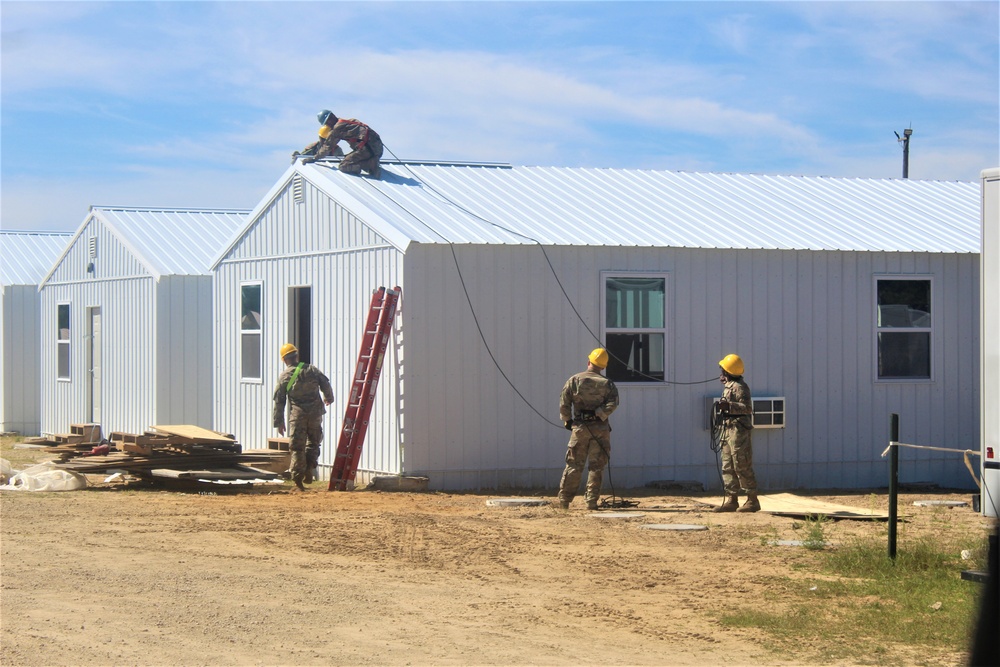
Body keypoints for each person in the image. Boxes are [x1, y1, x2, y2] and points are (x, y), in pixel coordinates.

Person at [557, 348, 620, 510]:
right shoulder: (607, 384)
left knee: (574, 465)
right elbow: (613, 404)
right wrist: (598, 414)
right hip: (600, 430)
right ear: (603, 366)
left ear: (589, 362)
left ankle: (564, 501)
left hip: (579, 429)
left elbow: (564, 403)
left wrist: (568, 421)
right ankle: (591, 502)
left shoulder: (574, 380)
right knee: (597, 466)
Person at [272, 343, 335, 491]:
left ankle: (298, 479)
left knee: (297, 447)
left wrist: (279, 422)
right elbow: (325, 382)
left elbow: (279, 401)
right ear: (296, 355)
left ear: (284, 359)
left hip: (298, 415)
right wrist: (328, 397)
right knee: (313, 442)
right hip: (315, 414)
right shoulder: (311, 369)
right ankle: (309, 467)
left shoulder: (285, 376)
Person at [713, 353, 759, 512]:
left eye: (723, 369)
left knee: (741, 463)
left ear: (728, 371)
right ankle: (731, 499)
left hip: (739, 431)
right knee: (727, 464)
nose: (721, 372)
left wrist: (729, 406)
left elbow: (747, 408)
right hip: (728, 429)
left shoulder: (740, 387)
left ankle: (752, 500)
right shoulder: (730, 385)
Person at [294, 109, 383, 178]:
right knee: (347, 157)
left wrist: (314, 158)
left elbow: (327, 146)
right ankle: (371, 162)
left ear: (329, 120)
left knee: (344, 166)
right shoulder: (350, 121)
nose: (328, 126)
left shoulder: (337, 129)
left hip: (368, 150)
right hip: (377, 148)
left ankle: (371, 163)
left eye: (326, 123)